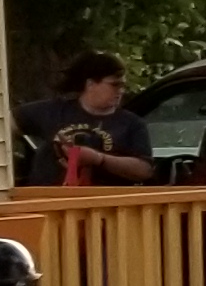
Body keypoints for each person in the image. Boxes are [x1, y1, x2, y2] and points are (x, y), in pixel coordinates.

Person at [18, 52, 158, 186]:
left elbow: (144, 170)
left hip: (105, 204)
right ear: (90, 84)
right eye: (114, 85)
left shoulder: (132, 124)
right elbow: (1, 124)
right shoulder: (52, 111)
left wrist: (98, 159)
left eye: (122, 85)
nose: (121, 90)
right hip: (46, 201)